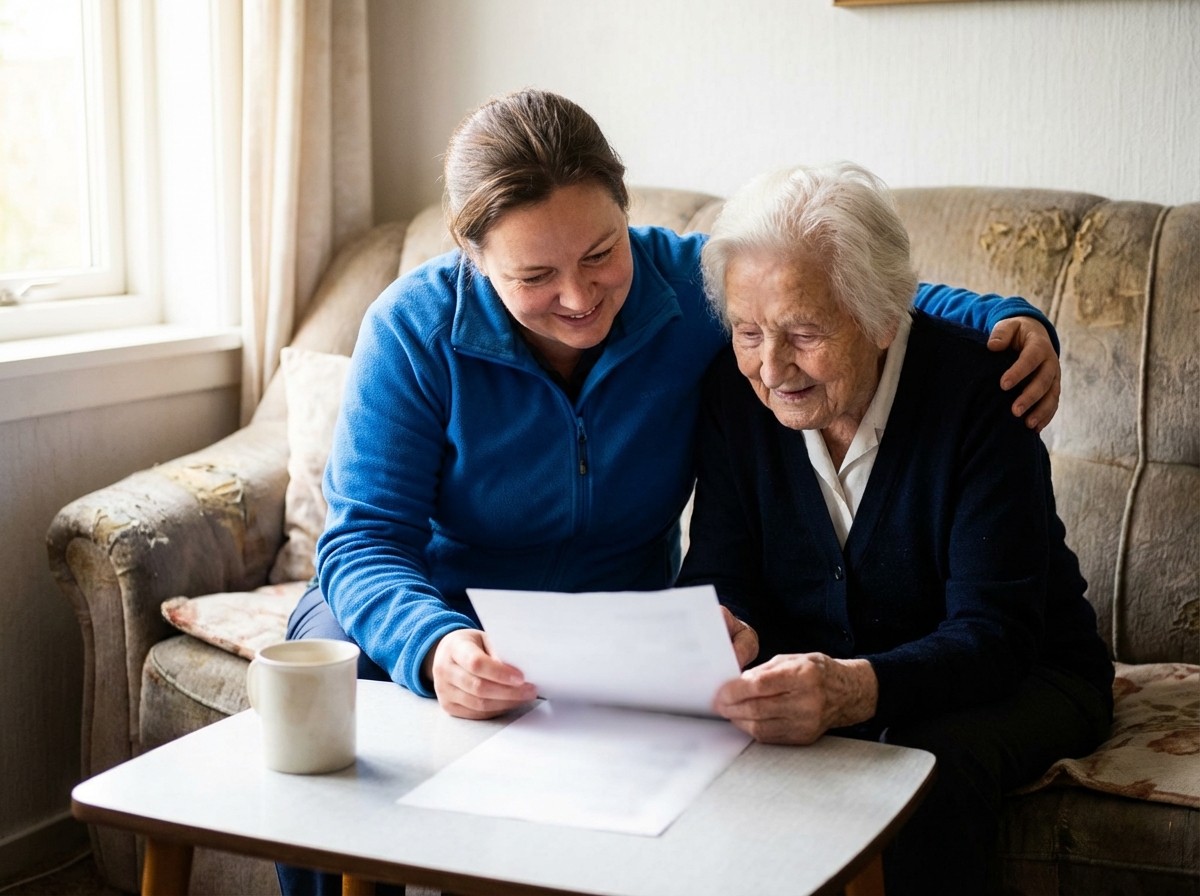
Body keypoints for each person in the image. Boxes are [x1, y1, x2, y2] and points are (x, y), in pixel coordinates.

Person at [279, 90, 1062, 894]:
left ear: (626, 212)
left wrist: (1010, 318)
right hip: (448, 606)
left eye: (599, 253)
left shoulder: (685, 290)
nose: (579, 297)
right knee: (328, 682)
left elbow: (841, 291)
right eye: (536, 275)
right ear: (474, 260)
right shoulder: (412, 330)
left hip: (617, 614)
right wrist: (434, 645)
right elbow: (365, 541)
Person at [676, 163, 1114, 895]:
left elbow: (996, 634)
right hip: (827, 674)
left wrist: (856, 689)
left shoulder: (984, 393)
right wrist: (732, 627)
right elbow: (721, 569)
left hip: (1021, 674)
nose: (772, 367)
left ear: (883, 317)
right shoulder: (732, 389)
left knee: (923, 761)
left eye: (803, 332)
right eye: (749, 332)